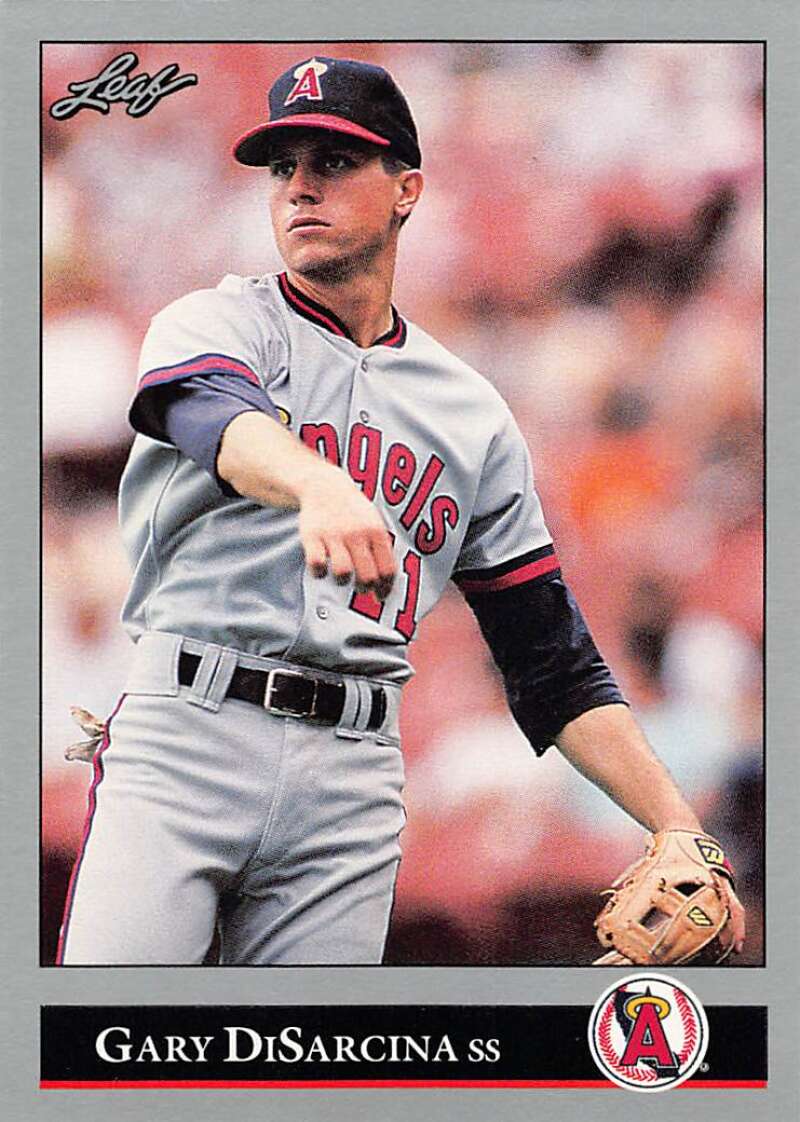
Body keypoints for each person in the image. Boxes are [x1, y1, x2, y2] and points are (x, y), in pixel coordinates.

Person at [57, 56, 745, 965]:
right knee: (108, 1056)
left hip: (353, 772)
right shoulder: (217, 322)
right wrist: (317, 482)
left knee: (312, 1087)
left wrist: (678, 825)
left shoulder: (471, 413)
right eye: (283, 166)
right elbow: (214, 418)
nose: (300, 186)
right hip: (189, 730)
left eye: (334, 162)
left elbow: (551, 661)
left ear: (408, 189)